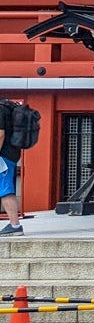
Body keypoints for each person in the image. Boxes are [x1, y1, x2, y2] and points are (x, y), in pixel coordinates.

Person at [0, 99, 25, 235]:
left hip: (3, 155)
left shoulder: (0, 109)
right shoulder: (8, 108)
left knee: (5, 189)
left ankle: (15, 225)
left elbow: (0, 134)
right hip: (11, 153)